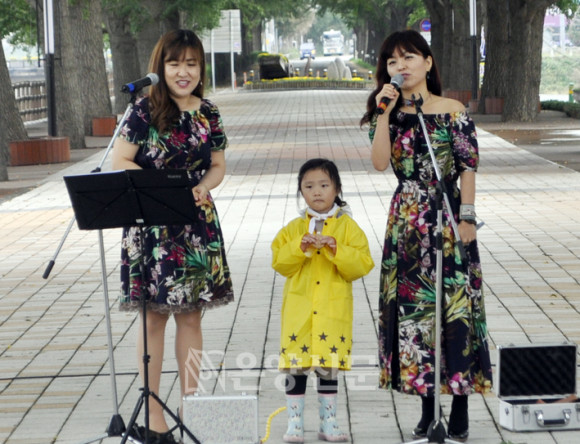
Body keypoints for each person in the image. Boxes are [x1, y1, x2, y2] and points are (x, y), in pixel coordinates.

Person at [360, 30, 493, 442]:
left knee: (455, 308)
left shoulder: (452, 110)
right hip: (407, 221)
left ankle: (461, 406)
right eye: (393, 61)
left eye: (409, 57)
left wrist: (467, 218)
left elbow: (467, 167)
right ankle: (426, 405)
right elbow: (379, 163)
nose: (401, 66)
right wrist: (383, 112)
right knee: (416, 313)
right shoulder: (386, 111)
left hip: (448, 215)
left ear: (428, 62)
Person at [111, 29, 234, 443]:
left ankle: (191, 407)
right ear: (160, 67)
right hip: (152, 226)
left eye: (192, 63)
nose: (184, 72)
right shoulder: (143, 110)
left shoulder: (209, 112)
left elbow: (217, 164)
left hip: (195, 224)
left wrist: (203, 186)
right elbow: (121, 159)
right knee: (153, 317)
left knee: (191, 316)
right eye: (175, 63)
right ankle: (153, 417)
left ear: (201, 68)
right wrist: (161, 188)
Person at [271, 158, 374, 443]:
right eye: (309, 186)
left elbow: (361, 264)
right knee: (296, 364)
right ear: (301, 192)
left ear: (337, 189)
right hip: (299, 310)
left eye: (324, 185)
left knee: (328, 365)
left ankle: (329, 421)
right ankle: (294, 422)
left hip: (332, 310)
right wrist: (299, 247)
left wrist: (337, 249)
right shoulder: (293, 229)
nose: (317, 192)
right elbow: (280, 262)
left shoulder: (347, 227)